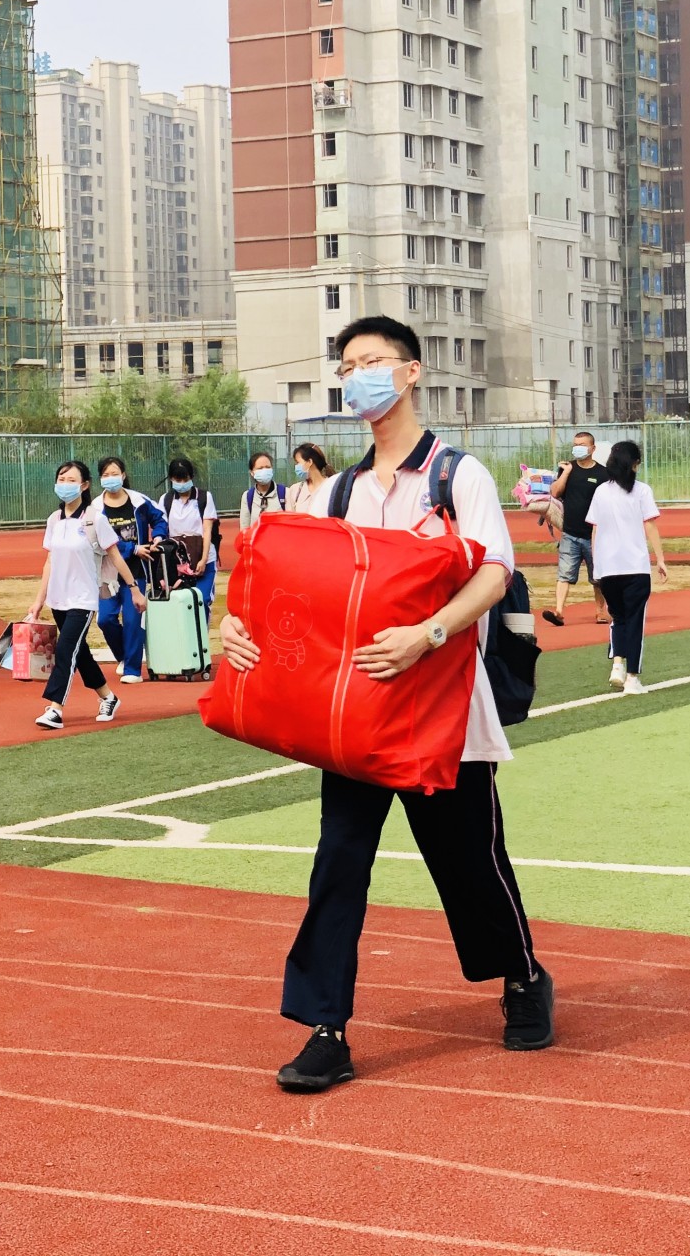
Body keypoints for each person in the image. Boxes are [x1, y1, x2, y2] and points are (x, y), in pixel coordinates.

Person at [220, 316, 551, 1092]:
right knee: (339, 863)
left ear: (411, 373)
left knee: (470, 865)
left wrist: (428, 635)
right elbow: (289, 582)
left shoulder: (457, 476)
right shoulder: (335, 490)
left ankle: (523, 977)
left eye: (372, 361)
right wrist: (239, 622)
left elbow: (495, 574)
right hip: (359, 715)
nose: (358, 374)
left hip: (444, 714)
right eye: (347, 365)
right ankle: (325, 1028)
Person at [26, 461, 146, 730]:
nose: (64, 484)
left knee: (66, 650)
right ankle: (108, 696)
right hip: (59, 599)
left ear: (84, 485)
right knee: (80, 654)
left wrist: (135, 589)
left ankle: (55, 708)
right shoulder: (54, 520)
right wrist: (38, 601)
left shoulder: (94, 518)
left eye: (71, 480)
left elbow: (114, 555)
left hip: (83, 599)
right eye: (61, 478)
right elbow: (50, 562)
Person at [587, 440, 668, 695]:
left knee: (618, 618)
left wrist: (596, 565)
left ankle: (618, 664)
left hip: (608, 567)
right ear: (634, 464)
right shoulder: (642, 491)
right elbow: (650, 525)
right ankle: (632, 677)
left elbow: (595, 530)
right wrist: (661, 559)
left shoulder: (601, 491)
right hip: (634, 567)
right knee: (634, 621)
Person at [92, 455, 167, 684]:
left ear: (123, 475)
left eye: (115, 474)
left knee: (134, 618)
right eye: (105, 475)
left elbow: (160, 520)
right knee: (105, 619)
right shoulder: (95, 508)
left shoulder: (139, 501)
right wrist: (132, 548)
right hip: (108, 572)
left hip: (137, 570)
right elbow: (99, 541)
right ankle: (123, 657)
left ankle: (133, 669)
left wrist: (159, 537)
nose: (110, 478)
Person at [544, 432, 612, 627]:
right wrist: (565, 472)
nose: (578, 448)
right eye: (575, 445)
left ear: (593, 448)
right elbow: (555, 492)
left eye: (582, 444)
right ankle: (558, 611)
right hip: (570, 534)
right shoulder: (567, 468)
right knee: (564, 574)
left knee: (597, 577)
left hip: (594, 535)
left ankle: (600, 611)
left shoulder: (603, 474)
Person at [160, 456, 221, 610]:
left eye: (185, 479)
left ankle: (202, 633)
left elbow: (207, 529)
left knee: (203, 599)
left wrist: (203, 559)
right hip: (178, 561)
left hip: (203, 557)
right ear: (171, 479)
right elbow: (162, 529)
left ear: (191, 477)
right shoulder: (165, 500)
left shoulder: (204, 498)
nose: (181, 483)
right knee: (181, 602)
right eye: (177, 479)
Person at [236, 450, 289, 532]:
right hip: (257, 544)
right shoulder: (247, 496)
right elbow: (244, 529)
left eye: (268, 467)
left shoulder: (285, 493)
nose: (264, 470)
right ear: (252, 472)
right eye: (260, 468)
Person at [286, 444, 333, 515]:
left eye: (298, 462)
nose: (296, 467)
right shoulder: (295, 490)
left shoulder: (332, 487)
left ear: (309, 462)